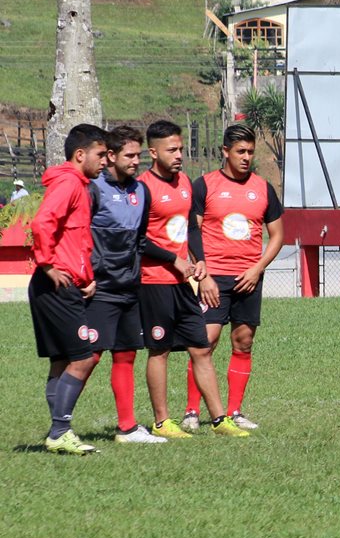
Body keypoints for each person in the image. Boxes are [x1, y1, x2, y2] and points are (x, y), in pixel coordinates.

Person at [137, 120, 249, 439]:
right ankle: (162, 422)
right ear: (153, 152)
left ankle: (219, 420)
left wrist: (200, 262)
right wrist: (175, 260)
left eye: (181, 149)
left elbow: (190, 229)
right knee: (158, 351)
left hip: (184, 283)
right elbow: (138, 239)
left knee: (200, 348)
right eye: (171, 150)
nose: (179, 155)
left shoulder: (185, 182)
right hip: (155, 281)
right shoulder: (143, 188)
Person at [179, 123, 284, 432]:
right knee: (205, 342)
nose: (246, 157)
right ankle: (191, 411)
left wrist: (258, 268)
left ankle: (235, 411)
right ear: (225, 151)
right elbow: (192, 229)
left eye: (250, 152)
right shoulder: (205, 185)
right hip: (215, 279)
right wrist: (205, 272)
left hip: (249, 278)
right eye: (240, 151)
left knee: (244, 342)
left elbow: (277, 235)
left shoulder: (263, 188)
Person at [29, 124, 108, 454]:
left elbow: (75, 239)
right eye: (101, 155)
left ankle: (59, 432)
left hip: (64, 284)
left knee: (61, 361)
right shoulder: (69, 183)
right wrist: (47, 264)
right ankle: (60, 431)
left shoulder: (79, 184)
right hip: (54, 285)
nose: (106, 161)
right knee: (82, 356)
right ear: (80, 154)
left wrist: (85, 276)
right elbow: (42, 222)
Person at [86, 125, 165, 444]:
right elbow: (80, 234)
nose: (135, 161)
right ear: (110, 156)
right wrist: (87, 273)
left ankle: (127, 427)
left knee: (126, 354)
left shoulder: (141, 191)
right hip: (99, 287)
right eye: (129, 155)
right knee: (88, 357)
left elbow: (140, 239)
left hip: (130, 286)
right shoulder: (93, 189)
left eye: (137, 154)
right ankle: (60, 423)